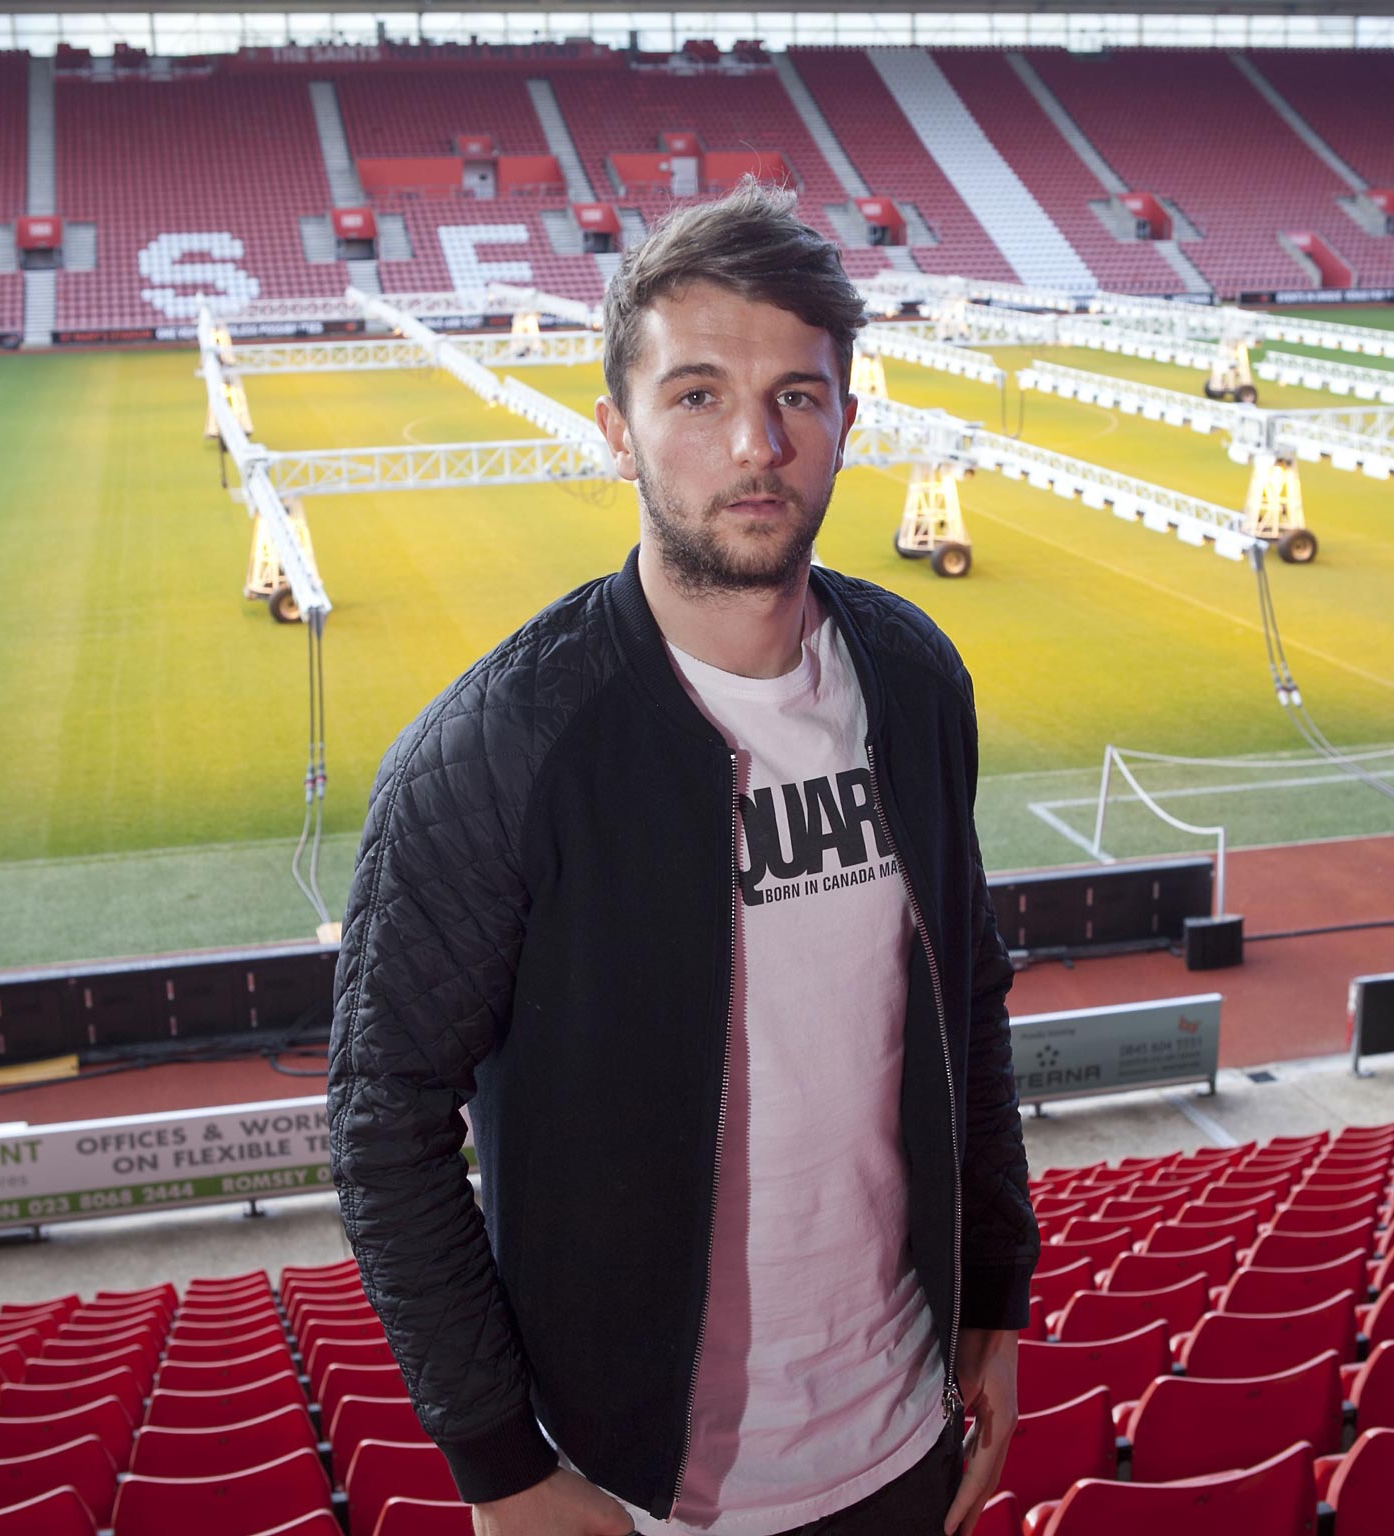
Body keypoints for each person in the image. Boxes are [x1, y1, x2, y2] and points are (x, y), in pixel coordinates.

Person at [327, 179, 1038, 1536]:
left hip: (899, 1443)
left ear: (845, 421)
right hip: (627, 1485)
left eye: (800, 398)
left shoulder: (915, 680)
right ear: (618, 431)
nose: (756, 444)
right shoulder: (496, 751)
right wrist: (500, 1466)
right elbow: (383, 1115)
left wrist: (994, 1294)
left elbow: (970, 1000)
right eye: (699, 395)